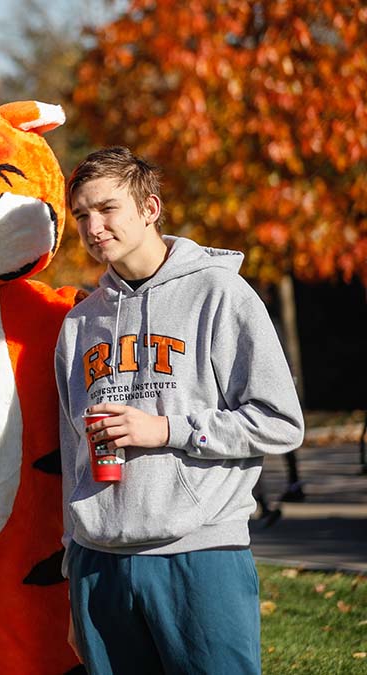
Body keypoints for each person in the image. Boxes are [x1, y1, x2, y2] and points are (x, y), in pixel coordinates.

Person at [55, 147, 305, 674]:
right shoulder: (79, 325)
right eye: (81, 215)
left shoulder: (220, 293)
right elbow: (69, 454)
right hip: (97, 562)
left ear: (150, 208)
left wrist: (166, 429)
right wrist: (70, 562)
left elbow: (280, 422)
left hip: (200, 551)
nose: (94, 226)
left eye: (107, 209)